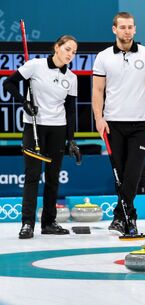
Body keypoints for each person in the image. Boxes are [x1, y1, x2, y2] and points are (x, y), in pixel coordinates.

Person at [92, 11, 145, 236]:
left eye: (130, 27)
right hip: (113, 124)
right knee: (120, 174)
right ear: (114, 29)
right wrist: (98, 118)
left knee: (133, 173)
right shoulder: (103, 57)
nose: (127, 31)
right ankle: (124, 217)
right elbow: (97, 90)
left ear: (135, 29)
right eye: (122, 27)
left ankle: (126, 217)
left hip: (140, 124)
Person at [3, 35, 81, 239]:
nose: (70, 55)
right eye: (67, 49)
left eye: (73, 52)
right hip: (34, 127)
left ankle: (49, 222)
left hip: (58, 129)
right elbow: (8, 84)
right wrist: (24, 102)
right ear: (57, 47)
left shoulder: (71, 78)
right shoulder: (35, 65)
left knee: (53, 178)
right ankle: (27, 224)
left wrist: (71, 139)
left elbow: (71, 110)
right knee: (32, 176)